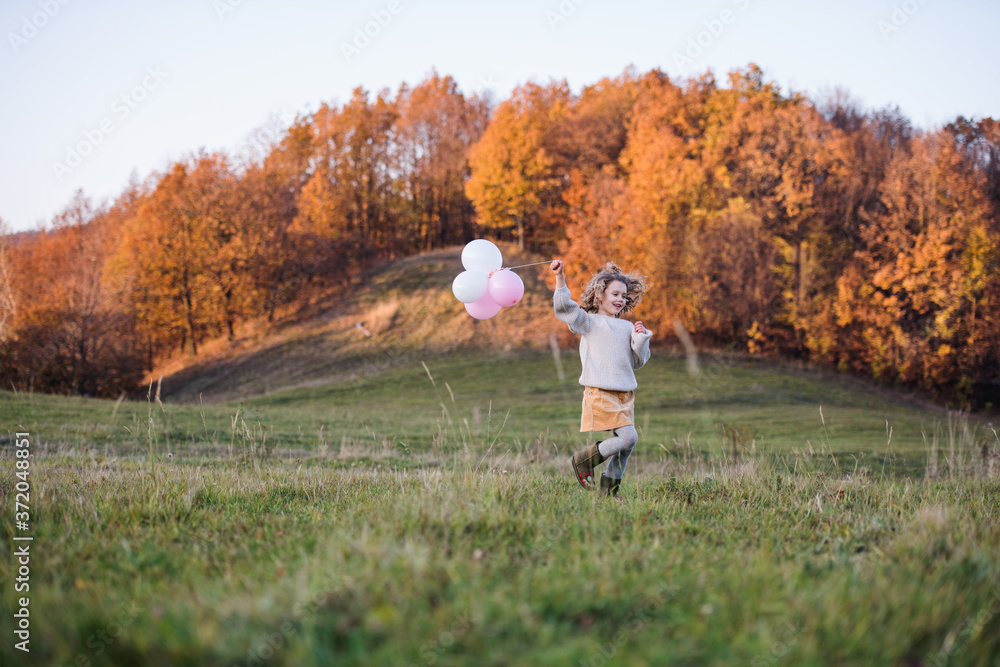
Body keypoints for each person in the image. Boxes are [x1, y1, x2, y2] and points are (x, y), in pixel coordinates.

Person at [551, 259, 651, 498]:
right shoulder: (589, 323)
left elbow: (638, 362)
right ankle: (583, 461)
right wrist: (560, 277)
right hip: (600, 391)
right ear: (599, 295)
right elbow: (565, 308)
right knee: (629, 437)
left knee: (627, 445)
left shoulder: (626, 328)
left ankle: (609, 493)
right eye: (615, 293)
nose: (620, 299)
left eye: (624, 296)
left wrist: (640, 339)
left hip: (624, 394)